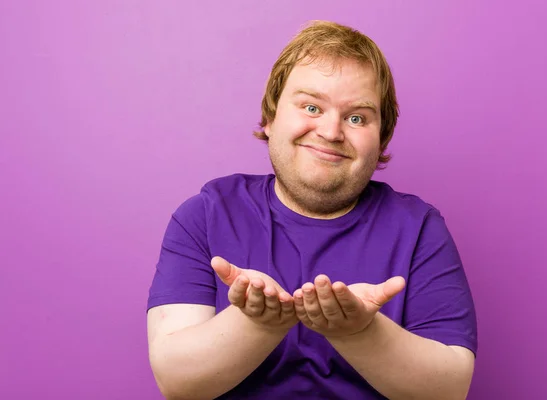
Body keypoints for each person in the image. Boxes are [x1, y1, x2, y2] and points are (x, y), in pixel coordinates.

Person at [146, 20, 477, 400]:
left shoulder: (419, 228)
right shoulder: (205, 216)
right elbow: (177, 381)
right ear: (270, 116)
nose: (331, 131)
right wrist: (259, 324)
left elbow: (449, 389)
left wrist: (358, 332)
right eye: (311, 106)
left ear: (381, 137)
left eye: (357, 117)